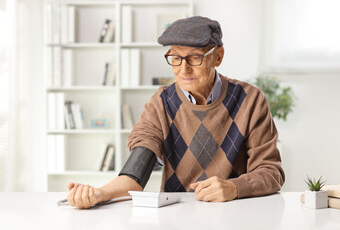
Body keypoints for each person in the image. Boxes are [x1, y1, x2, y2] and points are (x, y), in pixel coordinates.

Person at [66, 16, 285, 209]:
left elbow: (271, 173)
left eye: (194, 58)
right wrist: (99, 194)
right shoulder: (160, 103)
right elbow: (135, 174)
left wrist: (234, 187)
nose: (183, 69)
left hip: (235, 214)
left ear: (218, 56)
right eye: (176, 58)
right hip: (175, 218)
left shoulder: (251, 100)